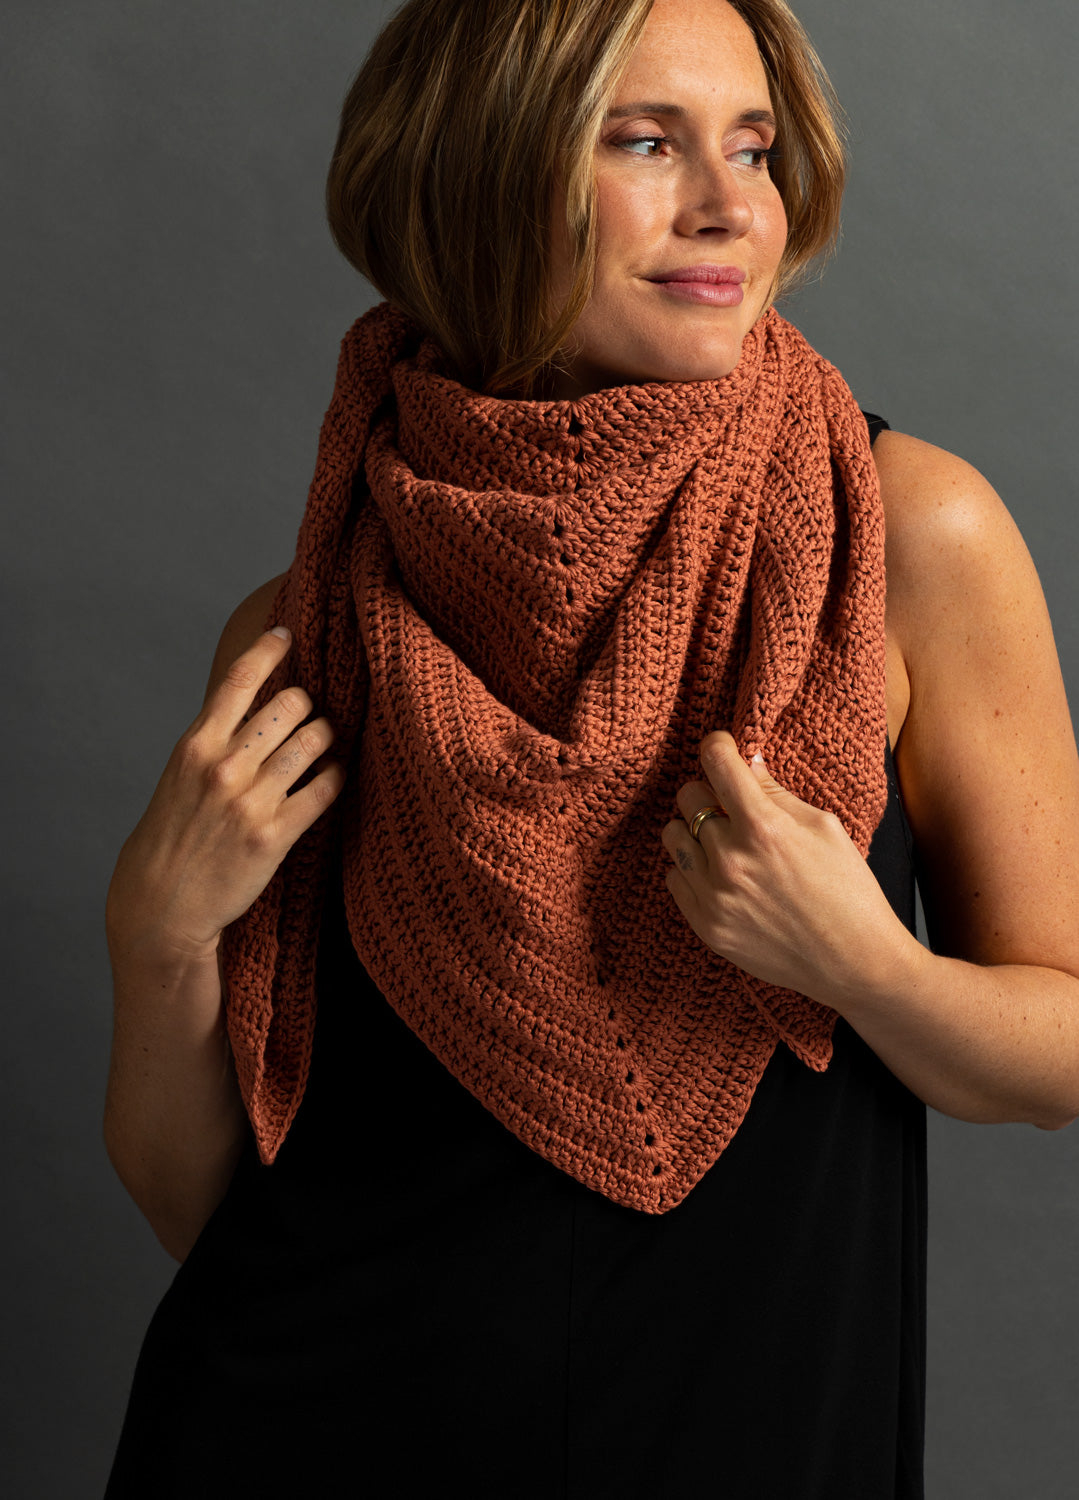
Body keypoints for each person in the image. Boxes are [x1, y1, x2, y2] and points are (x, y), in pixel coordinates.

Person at [102, 0, 1079, 1495]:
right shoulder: (313, 618)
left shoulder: (906, 539)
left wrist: (866, 967)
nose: (730, 206)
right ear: (483, 173)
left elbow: (1062, 1052)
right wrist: (157, 935)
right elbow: (203, 1213)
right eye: (643, 141)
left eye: (752, 146)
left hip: (748, 1438)